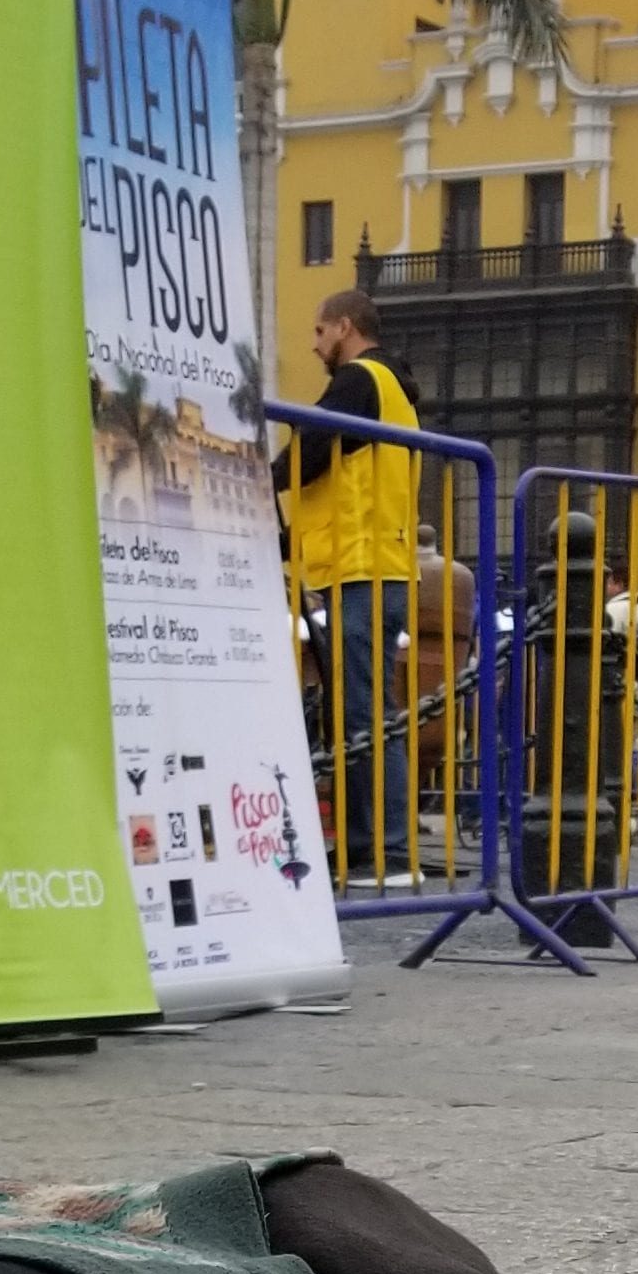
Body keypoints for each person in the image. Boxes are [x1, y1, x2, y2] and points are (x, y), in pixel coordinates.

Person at [273, 285, 419, 880]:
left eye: (317, 331)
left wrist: (254, 476)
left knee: (363, 712)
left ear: (344, 327)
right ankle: (370, 844)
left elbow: (310, 448)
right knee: (362, 709)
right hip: (374, 565)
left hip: (365, 569)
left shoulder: (360, 378)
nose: (314, 344)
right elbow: (337, 469)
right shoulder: (395, 390)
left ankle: (382, 847)